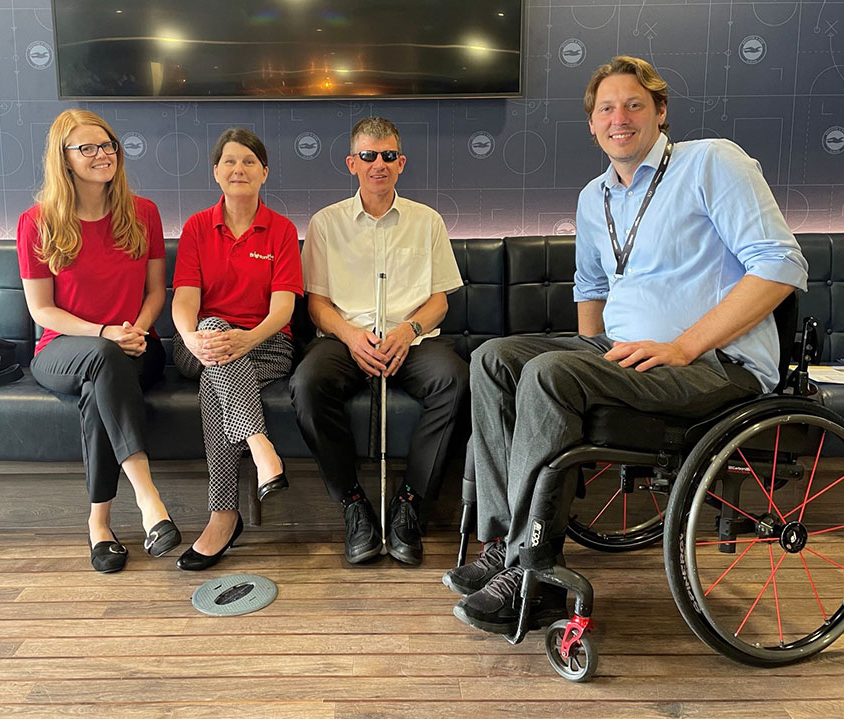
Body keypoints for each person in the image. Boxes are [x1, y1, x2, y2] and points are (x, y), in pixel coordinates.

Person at [444, 55, 810, 634]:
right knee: (495, 359)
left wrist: (684, 346)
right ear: (592, 124)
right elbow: (590, 289)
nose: (620, 117)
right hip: (629, 355)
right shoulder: (595, 197)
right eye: (606, 108)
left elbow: (781, 265)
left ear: (660, 112)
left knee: (550, 375)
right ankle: (503, 545)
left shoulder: (711, 161)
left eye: (634, 104)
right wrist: (584, 368)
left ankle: (533, 575)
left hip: (715, 365)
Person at [290, 116, 467, 566]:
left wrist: (409, 331)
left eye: (388, 155)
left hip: (412, 339)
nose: (378, 164)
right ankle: (353, 504)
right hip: (346, 338)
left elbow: (439, 302)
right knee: (308, 383)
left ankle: (410, 503)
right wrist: (352, 337)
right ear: (352, 163)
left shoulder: (427, 221)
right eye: (368, 156)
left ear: (401, 162)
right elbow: (318, 306)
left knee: (454, 381)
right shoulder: (326, 223)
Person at [17, 109, 180, 573]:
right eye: (86, 148)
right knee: (101, 360)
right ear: (64, 159)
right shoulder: (38, 221)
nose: (102, 154)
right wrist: (106, 332)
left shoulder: (143, 213)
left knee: (102, 383)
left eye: (107, 145)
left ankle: (100, 524)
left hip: (136, 348)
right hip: (63, 350)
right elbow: (42, 311)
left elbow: (155, 293)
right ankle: (148, 500)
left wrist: (137, 330)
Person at [171, 128, 303, 571]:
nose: (238, 169)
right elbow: (185, 300)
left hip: (265, 345)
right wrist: (193, 336)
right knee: (211, 327)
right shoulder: (196, 227)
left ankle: (223, 517)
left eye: (249, 161)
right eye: (229, 161)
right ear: (216, 172)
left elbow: (283, 308)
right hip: (200, 344)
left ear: (264, 172)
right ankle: (260, 445)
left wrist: (247, 338)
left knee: (216, 382)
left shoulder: (282, 230)